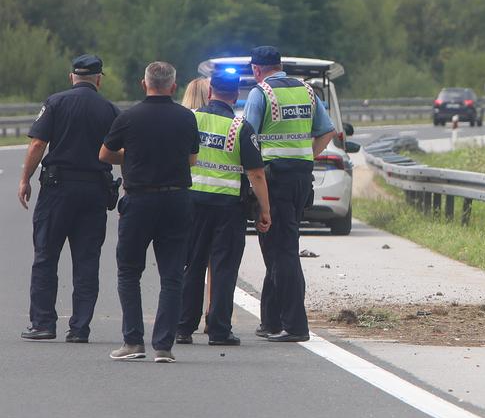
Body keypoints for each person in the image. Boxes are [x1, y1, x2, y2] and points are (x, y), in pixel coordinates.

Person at [99, 61, 199, 362]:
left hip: (139, 200)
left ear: (144, 84)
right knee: (172, 276)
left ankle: (133, 342)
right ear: (173, 86)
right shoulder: (186, 118)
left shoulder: (129, 117)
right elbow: (192, 160)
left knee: (129, 272)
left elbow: (104, 154)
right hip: (176, 200)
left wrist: (131, 157)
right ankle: (164, 346)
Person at [17, 54, 120, 342]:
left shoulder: (55, 103)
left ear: (71, 76)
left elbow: (38, 143)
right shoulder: (110, 109)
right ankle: (79, 328)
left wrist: (25, 178)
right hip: (94, 191)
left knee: (46, 256)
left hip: (57, 190)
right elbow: (123, 151)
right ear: (99, 79)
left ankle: (43, 324)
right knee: (87, 260)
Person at [242, 45, 334, 342]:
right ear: (279, 65)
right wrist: (306, 156)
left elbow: (246, 137)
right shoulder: (307, 91)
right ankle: (270, 320)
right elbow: (327, 131)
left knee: (282, 254)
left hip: (273, 180)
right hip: (300, 180)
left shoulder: (262, 93)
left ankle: (295, 326)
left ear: (256, 69)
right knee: (278, 249)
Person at [177, 69, 271, 346]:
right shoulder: (240, 127)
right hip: (228, 208)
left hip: (192, 203)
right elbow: (256, 174)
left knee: (191, 264)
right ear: (236, 95)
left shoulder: (190, 119)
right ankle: (219, 330)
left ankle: (182, 328)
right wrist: (265, 209)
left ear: (209, 92)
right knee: (223, 268)